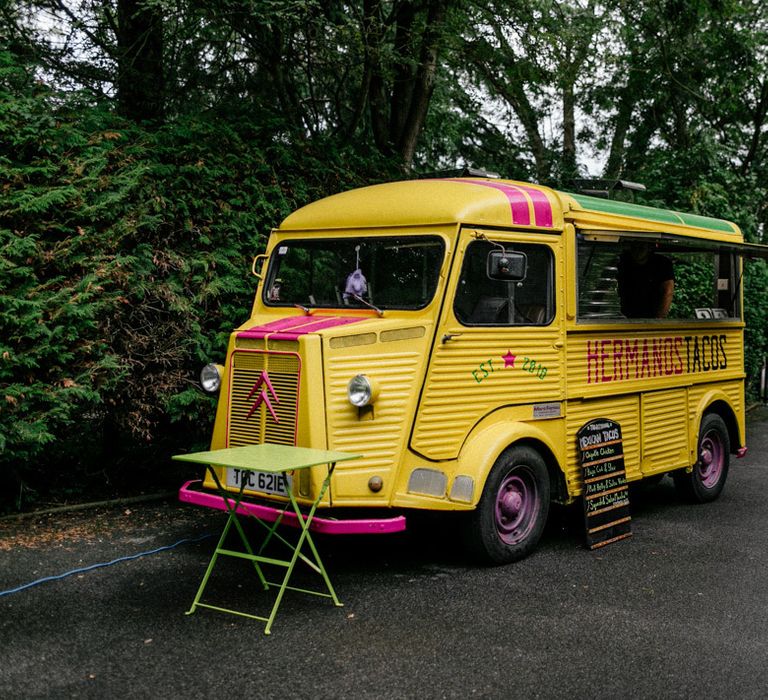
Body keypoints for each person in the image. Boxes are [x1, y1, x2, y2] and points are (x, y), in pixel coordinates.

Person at [617, 242, 674, 318]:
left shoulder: (661, 264)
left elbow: (668, 292)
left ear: (649, 248)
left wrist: (658, 321)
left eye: (641, 248)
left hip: (651, 317)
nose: (636, 252)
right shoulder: (622, 262)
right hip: (626, 316)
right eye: (634, 247)